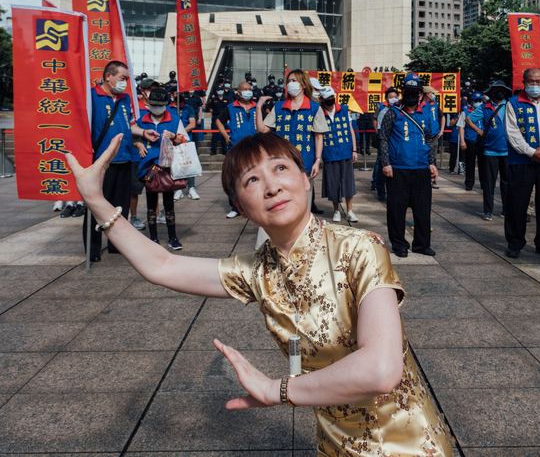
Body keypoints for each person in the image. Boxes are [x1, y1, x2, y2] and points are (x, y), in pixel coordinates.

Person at [65, 132, 454, 457]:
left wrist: (276, 390)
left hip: (408, 445)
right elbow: (161, 266)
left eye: (281, 168)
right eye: (252, 180)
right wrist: (97, 201)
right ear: (240, 205)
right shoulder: (257, 270)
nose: (271, 186)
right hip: (335, 444)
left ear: (305, 178)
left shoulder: (359, 248)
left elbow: (381, 369)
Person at [85, 61, 159, 262]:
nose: (125, 83)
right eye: (122, 78)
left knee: (120, 206)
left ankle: (116, 244)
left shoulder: (125, 99)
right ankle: (92, 249)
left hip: (126, 157)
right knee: (97, 205)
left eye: (127, 79)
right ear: (108, 76)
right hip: (103, 160)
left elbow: (129, 126)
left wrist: (144, 132)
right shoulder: (92, 96)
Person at [504, 68, 540, 259]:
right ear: (524, 83)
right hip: (521, 160)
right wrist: (531, 152)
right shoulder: (514, 103)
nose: (535, 85)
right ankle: (515, 242)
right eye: (531, 81)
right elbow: (512, 132)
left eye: (539, 82)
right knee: (517, 203)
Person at [379, 73, 437, 258]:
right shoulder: (392, 112)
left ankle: (421, 244)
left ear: (420, 94)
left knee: (422, 209)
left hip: (421, 168)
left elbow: (429, 138)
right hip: (398, 168)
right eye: (408, 91)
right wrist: (386, 163)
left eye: (415, 92)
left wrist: (432, 163)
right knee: (397, 209)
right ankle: (399, 244)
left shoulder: (426, 113)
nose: (411, 95)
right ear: (403, 92)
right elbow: (383, 139)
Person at [257, 69, 329, 218]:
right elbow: (262, 129)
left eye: (294, 81)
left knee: (304, 204)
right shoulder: (279, 106)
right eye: (288, 81)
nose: (290, 84)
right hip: (281, 163)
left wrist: (317, 161)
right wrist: (258, 107)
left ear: (303, 85)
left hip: (306, 162)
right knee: (282, 203)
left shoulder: (314, 108)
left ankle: (303, 238)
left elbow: (318, 137)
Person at [135, 88, 186, 250]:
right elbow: (133, 137)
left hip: (168, 167)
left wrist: (173, 137)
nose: (157, 109)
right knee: (151, 203)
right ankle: (154, 238)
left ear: (166, 105)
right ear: (149, 104)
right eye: (154, 105)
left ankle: (173, 237)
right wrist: (139, 144)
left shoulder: (174, 119)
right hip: (149, 167)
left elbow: (184, 139)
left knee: (169, 203)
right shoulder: (141, 119)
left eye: (161, 105)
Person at [217, 82, 268, 218]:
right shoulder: (231, 107)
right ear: (238, 92)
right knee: (234, 178)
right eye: (245, 89)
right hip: (235, 146)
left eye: (250, 89)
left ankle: (256, 203)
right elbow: (218, 121)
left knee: (257, 176)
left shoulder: (256, 107)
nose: (248, 91)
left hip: (255, 147)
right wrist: (225, 135)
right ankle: (235, 207)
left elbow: (267, 120)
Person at [319, 86, 359, 222]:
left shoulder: (344, 109)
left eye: (332, 97)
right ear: (322, 99)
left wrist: (354, 149)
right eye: (327, 98)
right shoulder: (319, 111)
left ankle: (349, 211)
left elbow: (351, 130)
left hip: (345, 151)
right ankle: (336, 210)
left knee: (348, 182)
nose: (331, 100)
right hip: (329, 152)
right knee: (333, 182)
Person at [479, 81, 511, 220]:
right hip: (490, 150)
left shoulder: (510, 106)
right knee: (489, 183)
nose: (499, 92)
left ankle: (506, 210)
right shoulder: (484, 107)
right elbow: (468, 120)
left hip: (508, 151)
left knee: (507, 183)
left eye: (502, 90)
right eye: (496, 90)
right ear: (491, 92)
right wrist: (482, 133)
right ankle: (488, 211)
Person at [371, 87, 399, 201]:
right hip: (386, 144)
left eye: (395, 97)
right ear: (386, 99)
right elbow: (381, 130)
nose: (393, 99)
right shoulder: (383, 111)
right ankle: (380, 190)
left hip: (397, 145)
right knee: (382, 166)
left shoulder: (400, 111)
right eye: (390, 97)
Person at [173, 96, 200, 201]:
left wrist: (180, 134)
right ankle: (178, 188)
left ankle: (191, 188)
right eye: (176, 93)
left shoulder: (188, 108)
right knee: (176, 164)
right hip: (173, 141)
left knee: (189, 164)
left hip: (186, 141)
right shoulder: (168, 108)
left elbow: (192, 124)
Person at [459, 92, 485, 191]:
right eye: (476, 101)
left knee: (483, 163)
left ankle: (484, 183)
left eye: (480, 101)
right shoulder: (465, 111)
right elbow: (461, 126)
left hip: (482, 139)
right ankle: (469, 183)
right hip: (470, 139)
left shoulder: (484, 110)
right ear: (472, 101)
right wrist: (462, 141)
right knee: (470, 163)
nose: (478, 103)